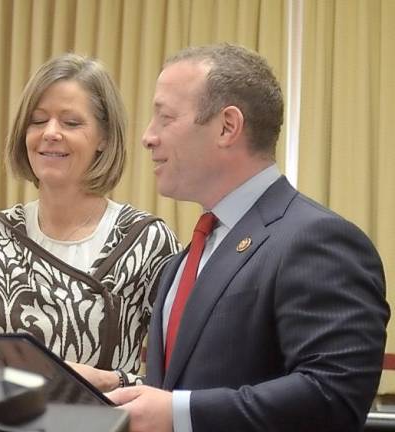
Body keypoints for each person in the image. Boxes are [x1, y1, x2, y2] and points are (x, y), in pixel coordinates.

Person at [106, 43, 389, 431]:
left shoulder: (317, 239)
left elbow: (334, 397)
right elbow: (192, 388)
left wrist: (178, 414)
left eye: (165, 118)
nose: (147, 137)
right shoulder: (186, 259)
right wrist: (122, 387)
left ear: (227, 127)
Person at [0, 53, 179, 392]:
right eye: (38, 120)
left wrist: (110, 381)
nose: (51, 134)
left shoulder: (147, 241)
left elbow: (176, 379)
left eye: (71, 123)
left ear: (104, 137)